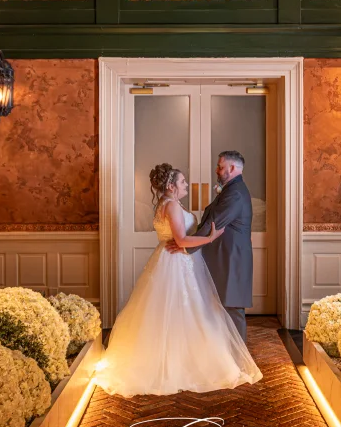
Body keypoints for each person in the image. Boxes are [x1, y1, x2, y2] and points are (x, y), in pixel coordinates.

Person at [93, 163, 263, 397]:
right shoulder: (171, 206)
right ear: (171, 186)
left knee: (184, 310)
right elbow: (181, 241)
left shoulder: (170, 203)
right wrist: (210, 238)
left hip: (178, 261)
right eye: (183, 182)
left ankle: (182, 356)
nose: (186, 185)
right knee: (181, 310)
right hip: (175, 262)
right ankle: (177, 363)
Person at [166, 151, 253, 343]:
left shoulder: (236, 193)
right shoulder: (231, 189)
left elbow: (214, 224)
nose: (217, 170)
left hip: (232, 259)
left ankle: (239, 358)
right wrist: (186, 242)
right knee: (222, 306)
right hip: (225, 257)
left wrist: (185, 245)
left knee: (232, 307)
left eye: (220, 167)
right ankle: (226, 351)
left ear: (232, 168)